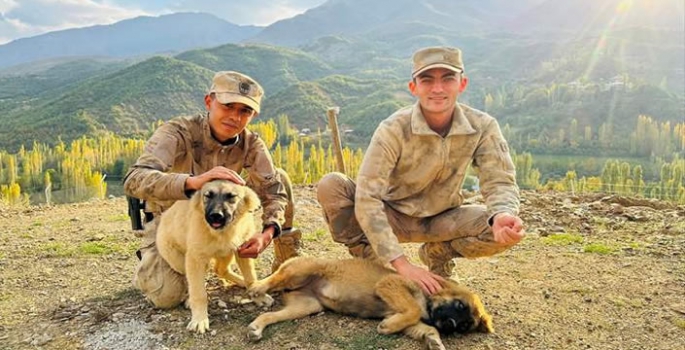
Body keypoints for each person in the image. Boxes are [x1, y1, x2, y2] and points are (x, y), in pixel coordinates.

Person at [316, 46, 525, 295]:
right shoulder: (393, 128)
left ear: (462, 83)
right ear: (413, 87)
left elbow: (499, 179)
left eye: (448, 78)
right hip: (393, 214)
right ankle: (370, 259)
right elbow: (367, 196)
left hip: (442, 219)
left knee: (499, 228)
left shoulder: (483, 126)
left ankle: (438, 255)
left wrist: (501, 214)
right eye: (427, 80)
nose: (438, 88)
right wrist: (402, 264)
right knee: (332, 185)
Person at [124, 71, 301, 308]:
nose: (234, 117)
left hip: (224, 220)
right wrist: (191, 183)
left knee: (281, 178)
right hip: (173, 223)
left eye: (244, 111)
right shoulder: (178, 132)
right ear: (209, 101)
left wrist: (267, 234)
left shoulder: (251, 143)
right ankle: (152, 260)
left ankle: (284, 260)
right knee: (167, 297)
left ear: (253, 115)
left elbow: (273, 190)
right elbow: (134, 179)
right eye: (228, 106)